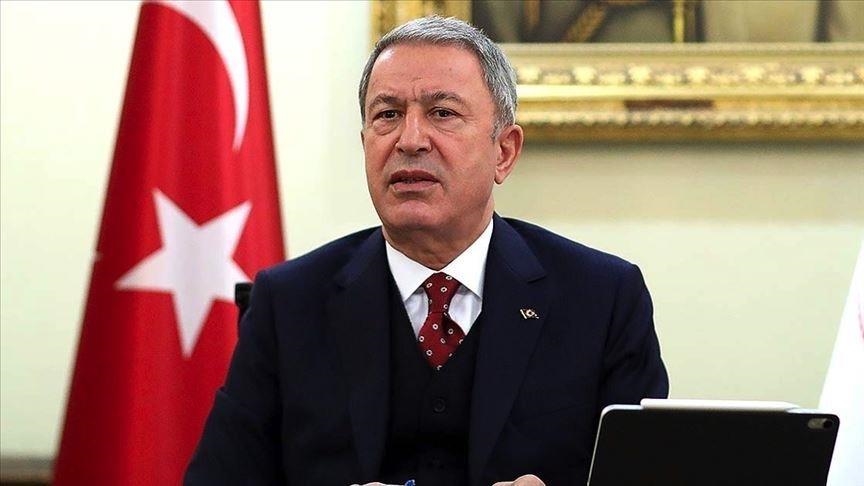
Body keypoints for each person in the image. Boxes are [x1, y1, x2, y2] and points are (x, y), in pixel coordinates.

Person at [185, 15, 668, 486]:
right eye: (388, 115)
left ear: (504, 152)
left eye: (442, 113)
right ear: (365, 143)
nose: (410, 140)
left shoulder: (602, 299)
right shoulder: (288, 303)